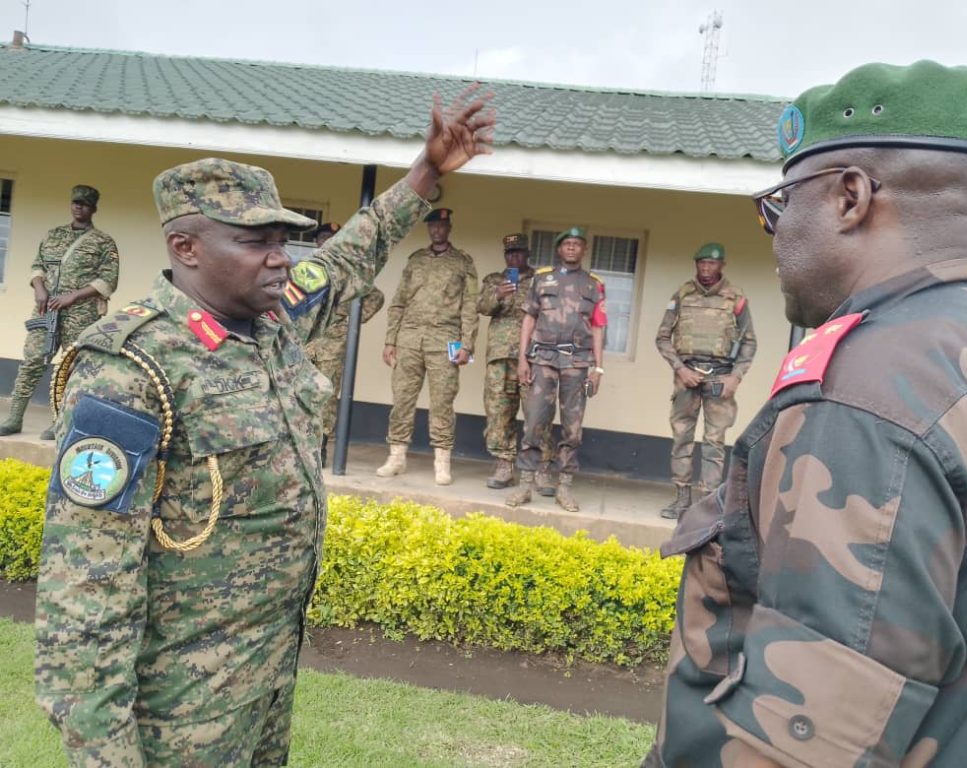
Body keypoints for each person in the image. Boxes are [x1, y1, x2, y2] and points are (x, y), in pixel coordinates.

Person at [35, 86, 494, 767]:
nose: (281, 257)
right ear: (186, 247)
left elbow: (348, 255)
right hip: (180, 710)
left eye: (283, 240)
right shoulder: (128, 367)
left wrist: (426, 175)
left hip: (267, 675)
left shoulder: (271, 317)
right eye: (256, 241)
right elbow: (87, 594)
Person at [645, 61, 967, 768]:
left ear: (850, 197)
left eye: (781, 204)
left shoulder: (863, 395)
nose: (776, 231)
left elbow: (802, 745)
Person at [0, 185, 119, 439]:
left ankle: (60, 422)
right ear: (71, 205)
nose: (79, 207)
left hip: (81, 313)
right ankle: (14, 418)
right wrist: (39, 288)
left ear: (94, 209)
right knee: (31, 361)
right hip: (46, 309)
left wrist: (73, 296)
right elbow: (37, 265)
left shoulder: (103, 242)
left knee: (71, 367)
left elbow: (109, 280)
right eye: (76, 202)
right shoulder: (53, 235)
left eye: (85, 204)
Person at [506, 226, 606, 512]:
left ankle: (564, 487)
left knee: (572, 428)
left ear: (584, 249)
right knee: (534, 421)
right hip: (543, 360)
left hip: (577, 364)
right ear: (559, 249)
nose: (572, 248)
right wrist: (524, 359)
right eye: (567, 244)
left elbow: (599, 327)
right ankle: (525, 484)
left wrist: (598, 369)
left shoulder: (594, 285)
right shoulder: (542, 279)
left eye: (577, 244)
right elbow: (529, 320)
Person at [377, 207, 479, 485]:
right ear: (428, 229)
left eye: (442, 225)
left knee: (442, 402)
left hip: (444, 339)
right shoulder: (416, 260)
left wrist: (467, 345)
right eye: (432, 226)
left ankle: (442, 462)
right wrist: (390, 340)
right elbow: (398, 301)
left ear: (449, 228)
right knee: (402, 399)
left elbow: (470, 306)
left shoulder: (462, 262)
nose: (437, 230)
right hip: (409, 339)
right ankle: (396, 457)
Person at [654, 242, 756, 519]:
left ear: (722, 265)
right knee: (682, 438)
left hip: (720, 379)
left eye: (712, 263)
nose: (706, 268)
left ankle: (707, 504)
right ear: (696, 264)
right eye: (701, 263)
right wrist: (679, 368)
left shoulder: (735, 298)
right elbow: (662, 337)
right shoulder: (682, 295)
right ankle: (681, 500)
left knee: (714, 442)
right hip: (687, 377)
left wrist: (736, 377)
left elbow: (749, 343)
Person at [477, 233, 556, 490]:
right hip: (500, 357)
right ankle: (503, 465)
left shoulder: (541, 281)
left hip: (534, 357)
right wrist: (498, 294)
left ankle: (542, 468)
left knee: (537, 413)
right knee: (499, 412)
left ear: (527, 254)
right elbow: (481, 306)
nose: (514, 257)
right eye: (509, 253)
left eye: (519, 252)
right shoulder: (494, 280)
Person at [303, 221, 386, 463]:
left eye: (333, 237)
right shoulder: (306, 269)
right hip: (306, 343)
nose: (327, 241)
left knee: (327, 395)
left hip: (333, 344)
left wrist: (351, 320)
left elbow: (375, 297)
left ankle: (321, 445)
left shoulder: (350, 272)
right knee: (300, 392)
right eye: (323, 237)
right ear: (316, 242)